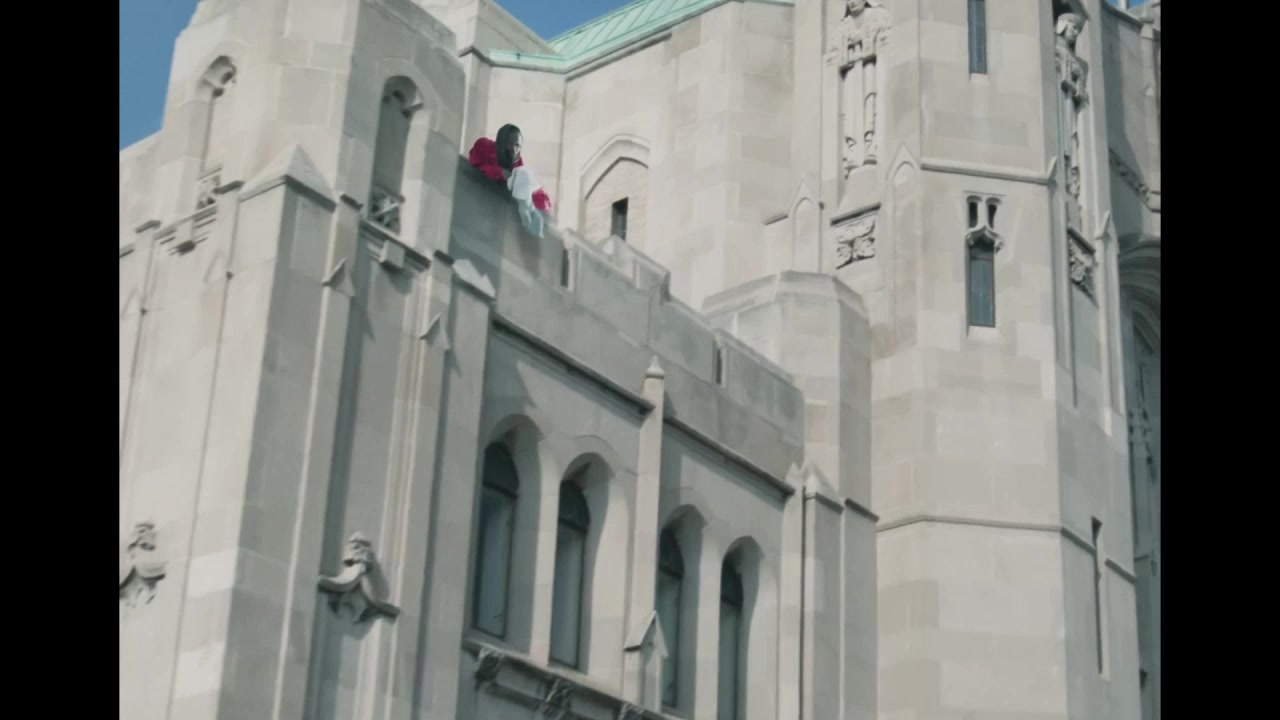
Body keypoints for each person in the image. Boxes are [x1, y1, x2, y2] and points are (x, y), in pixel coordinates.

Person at [468, 124, 552, 237]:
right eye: (509, 143)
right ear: (501, 142)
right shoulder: (484, 146)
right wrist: (500, 173)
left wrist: (537, 195)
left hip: (495, 218)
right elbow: (473, 167)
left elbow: (536, 196)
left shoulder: (518, 166)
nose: (513, 149)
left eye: (517, 145)